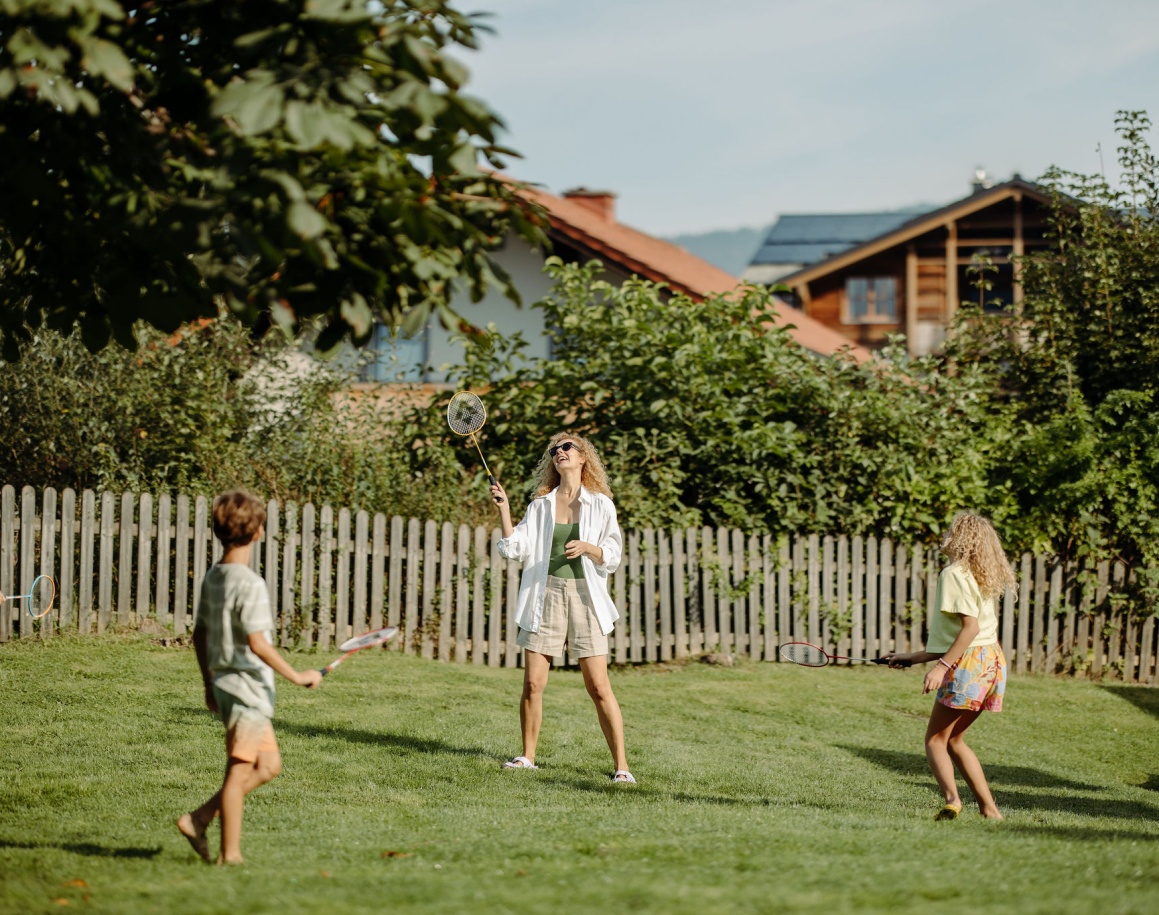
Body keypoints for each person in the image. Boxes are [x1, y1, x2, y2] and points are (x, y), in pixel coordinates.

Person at [177, 490, 322, 864]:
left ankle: (200, 818)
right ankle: (231, 855)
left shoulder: (214, 576)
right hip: (246, 690)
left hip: (226, 686)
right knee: (238, 773)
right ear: (257, 532)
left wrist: (208, 685)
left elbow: (199, 635)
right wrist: (297, 675)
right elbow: (258, 644)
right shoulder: (251, 584)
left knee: (268, 766)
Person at [490, 432, 635, 783]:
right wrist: (505, 510)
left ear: (584, 457)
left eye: (567, 447)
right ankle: (527, 757)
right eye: (555, 450)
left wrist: (589, 547)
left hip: (586, 597)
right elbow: (513, 549)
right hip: (546, 596)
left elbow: (613, 555)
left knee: (599, 687)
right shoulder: (540, 505)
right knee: (533, 684)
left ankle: (622, 768)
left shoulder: (601, 504)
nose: (560, 452)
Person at [887, 512, 1015, 821]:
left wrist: (940, 667)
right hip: (990, 662)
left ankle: (952, 800)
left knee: (935, 740)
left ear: (960, 538)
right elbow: (968, 636)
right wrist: (915, 657)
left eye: (950, 530)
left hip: (968, 664)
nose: (944, 535)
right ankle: (990, 810)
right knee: (955, 740)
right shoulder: (979, 574)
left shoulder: (954, 573)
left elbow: (968, 629)